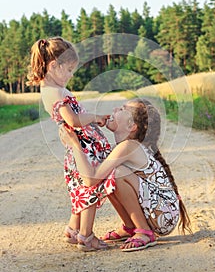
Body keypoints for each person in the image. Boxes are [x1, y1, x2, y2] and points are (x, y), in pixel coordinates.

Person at [60, 98, 192, 252]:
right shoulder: (122, 147)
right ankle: (130, 227)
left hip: (163, 214)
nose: (115, 109)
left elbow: (90, 180)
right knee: (108, 174)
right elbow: (93, 178)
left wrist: (76, 144)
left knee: (117, 173)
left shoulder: (129, 146)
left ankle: (144, 232)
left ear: (131, 126)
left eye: (122, 109)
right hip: (157, 212)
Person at [27, 37, 115, 251]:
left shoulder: (50, 89)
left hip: (80, 146)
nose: (71, 74)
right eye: (68, 69)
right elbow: (73, 121)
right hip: (82, 147)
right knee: (91, 188)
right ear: (53, 66)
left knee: (82, 189)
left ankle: (72, 228)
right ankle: (86, 236)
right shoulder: (55, 92)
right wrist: (94, 117)